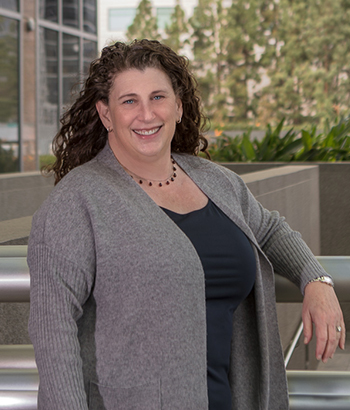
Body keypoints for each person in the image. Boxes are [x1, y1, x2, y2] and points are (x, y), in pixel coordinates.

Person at [28, 39, 345, 410]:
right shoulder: (77, 201)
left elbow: (270, 230)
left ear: (178, 106)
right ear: (106, 114)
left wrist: (316, 280)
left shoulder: (216, 181)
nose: (146, 114)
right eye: (129, 101)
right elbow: (54, 331)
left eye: (158, 97)